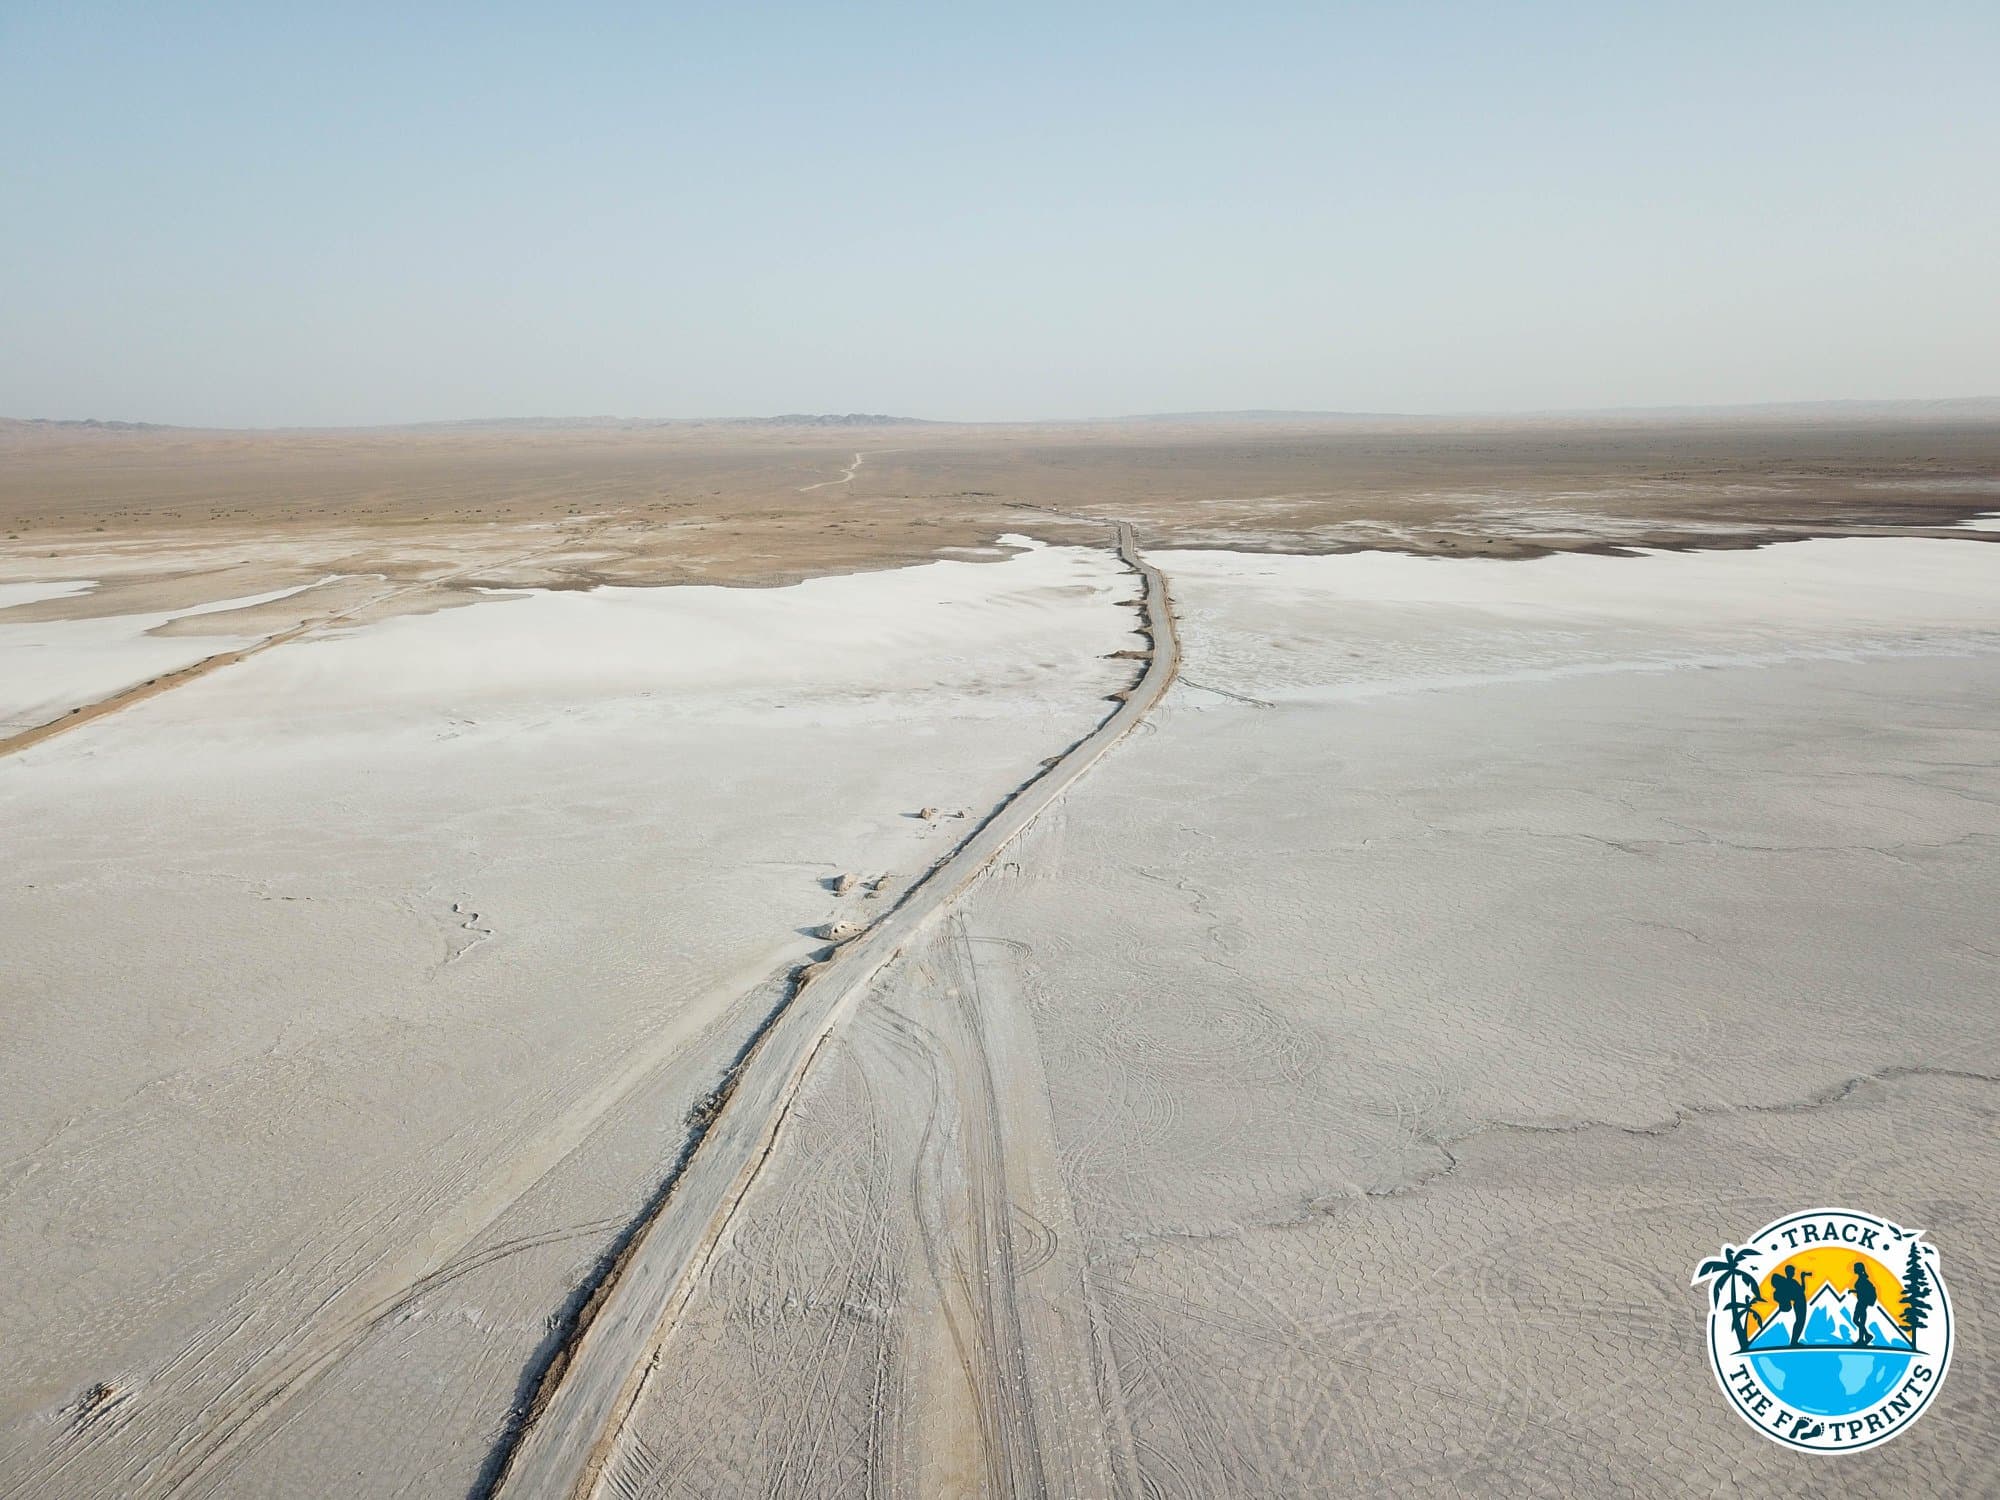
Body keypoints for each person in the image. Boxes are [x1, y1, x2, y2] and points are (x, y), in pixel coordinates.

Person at [1770, 1264, 1810, 1345]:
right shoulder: (1790, 1282)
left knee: (1799, 1322)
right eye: (1792, 1271)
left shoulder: (1790, 1282)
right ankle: (1794, 1342)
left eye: (1793, 1271)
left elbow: (1801, 1290)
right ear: (1788, 1272)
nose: (1793, 1273)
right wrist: (1802, 1278)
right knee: (1800, 1322)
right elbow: (1801, 1290)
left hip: (1800, 1302)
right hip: (1799, 1303)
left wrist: (1802, 1278)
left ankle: (1794, 1341)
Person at [1852, 1261, 1879, 1347]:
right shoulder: (1862, 1278)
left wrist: (1857, 1291)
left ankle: (1865, 1337)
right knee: (1859, 1321)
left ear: (1859, 1269)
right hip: (1862, 1302)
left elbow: (1863, 1291)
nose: (1854, 1269)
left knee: (1856, 1320)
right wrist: (1854, 1291)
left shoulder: (1863, 1279)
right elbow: (1861, 1290)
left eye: (1855, 1268)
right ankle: (1863, 1338)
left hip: (1862, 1302)